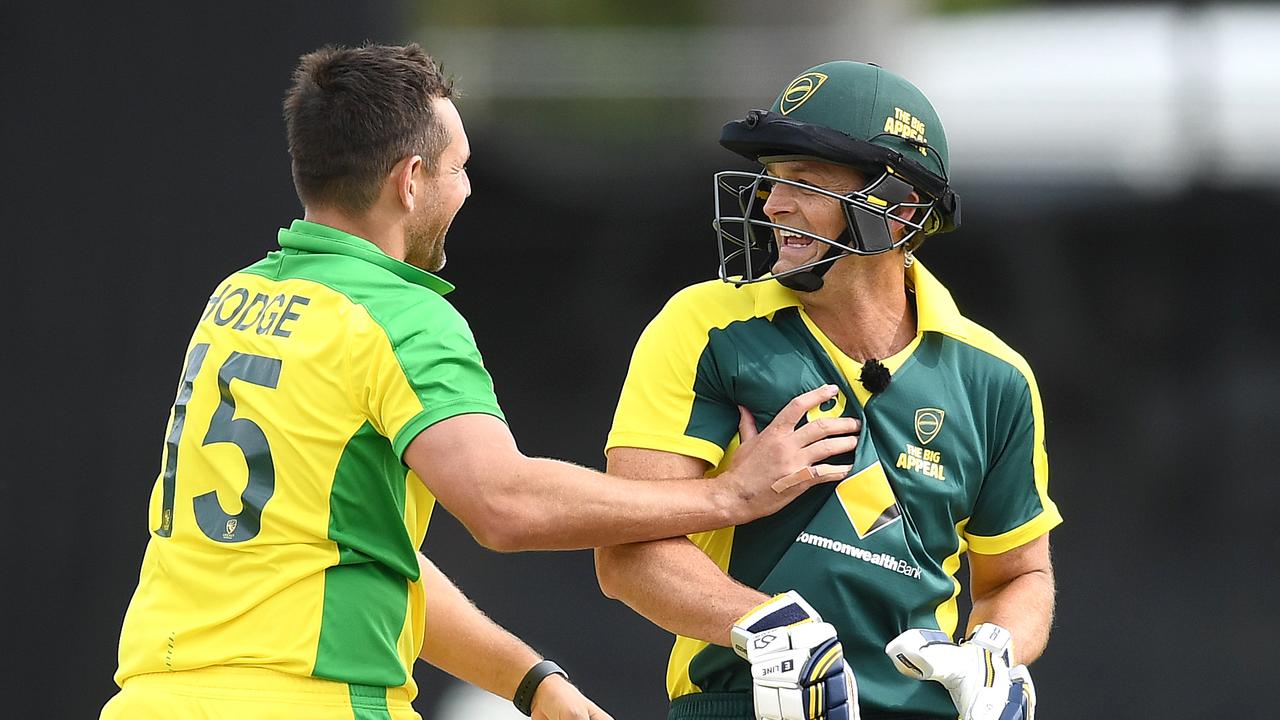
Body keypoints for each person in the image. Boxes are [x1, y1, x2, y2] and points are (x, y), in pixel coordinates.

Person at [99, 44, 864, 720]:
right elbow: (505, 505)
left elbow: (355, 552)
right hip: (310, 699)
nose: (467, 190)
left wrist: (529, 682)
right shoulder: (401, 316)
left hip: (153, 699)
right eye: (460, 170)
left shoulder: (235, 300)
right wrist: (729, 496)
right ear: (410, 181)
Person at [595, 61, 1061, 720]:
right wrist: (767, 629)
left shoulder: (997, 376)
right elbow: (626, 553)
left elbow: (1019, 575)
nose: (771, 202)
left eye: (805, 183)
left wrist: (996, 649)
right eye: (773, 179)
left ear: (897, 215)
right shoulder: (703, 325)